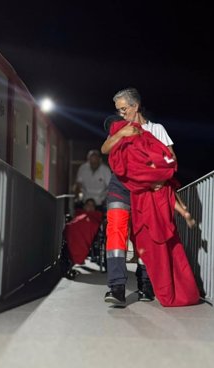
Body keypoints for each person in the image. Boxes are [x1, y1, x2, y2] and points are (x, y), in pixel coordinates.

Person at [101, 87, 196, 305]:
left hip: (147, 190)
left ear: (135, 106)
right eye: (118, 110)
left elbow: (171, 159)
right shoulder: (119, 127)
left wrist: (161, 180)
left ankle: (145, 283)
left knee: (144, 235)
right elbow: (105, 149)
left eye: (124, 109)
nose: (121, 113)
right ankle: (116, 287)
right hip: (120, 185)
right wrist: (120, 134)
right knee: (116, 231)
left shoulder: (157, 129)